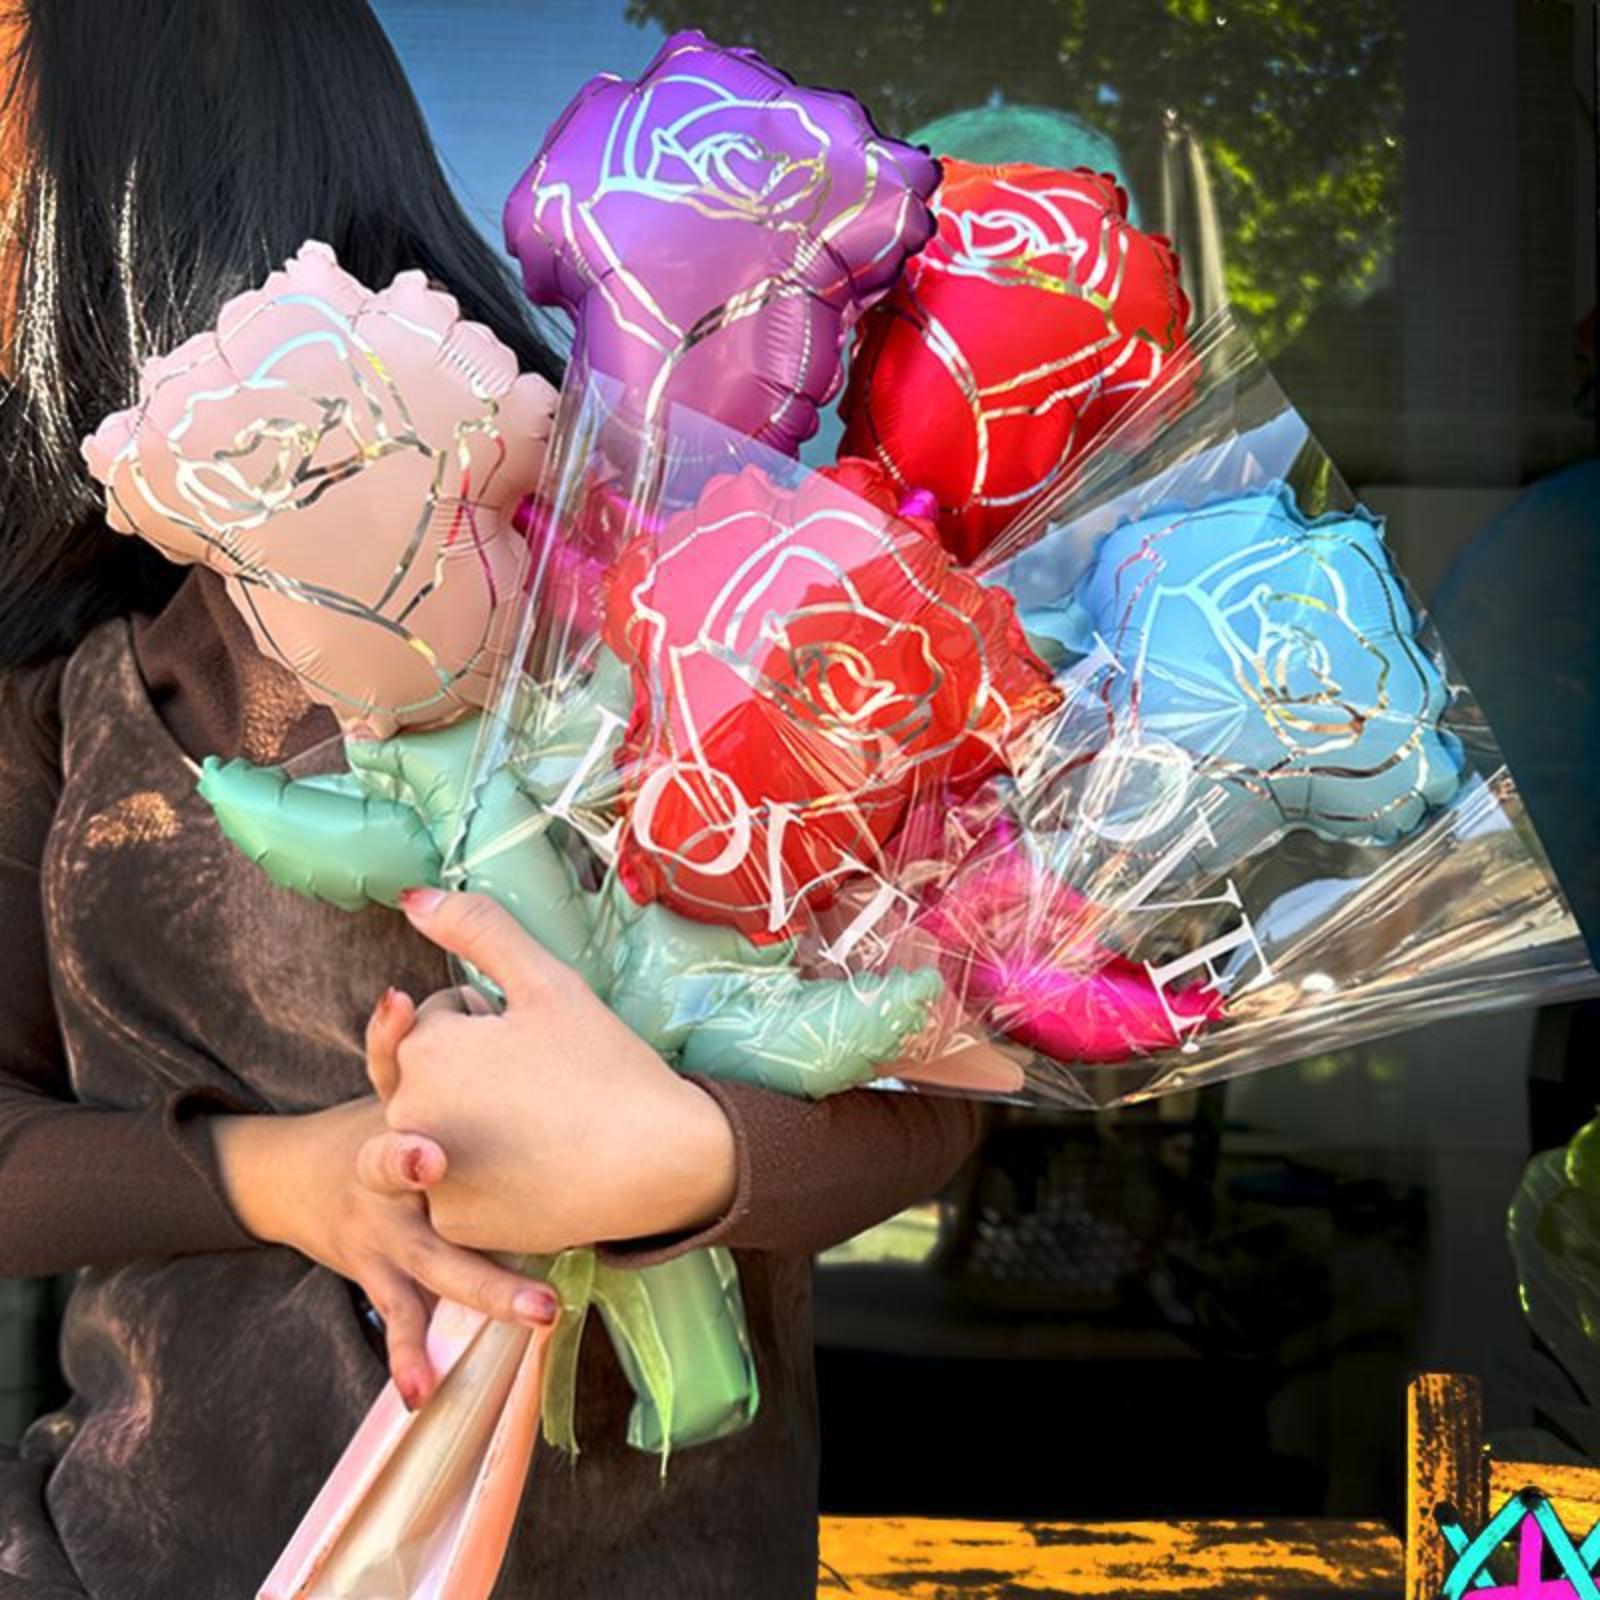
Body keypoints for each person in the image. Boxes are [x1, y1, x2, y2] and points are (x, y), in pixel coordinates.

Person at [0, 4, 981, 1597]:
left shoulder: (650, 562)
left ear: (172, 92)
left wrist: (689, 1153)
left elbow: (928, 1067)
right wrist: (286, 1176)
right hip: (136, 1554)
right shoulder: (68, 662)